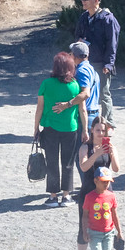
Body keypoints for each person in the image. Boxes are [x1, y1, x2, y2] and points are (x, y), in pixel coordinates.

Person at [34, 50, 91, 205]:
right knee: (68, 162)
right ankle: (66, 195)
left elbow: (39, 108)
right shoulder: (75, 86)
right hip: (70, 129)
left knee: (52, 161)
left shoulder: (46, 84)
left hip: (50, 128)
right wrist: (85, 130)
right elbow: (82, 110)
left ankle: (53, 196)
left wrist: (35, 128)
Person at [71, 118, 119, 250]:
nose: (101, 133)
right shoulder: (85, 147)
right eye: (98, 130)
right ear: (91, 130)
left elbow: (116, 169)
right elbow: (84, 167)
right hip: (88, 192)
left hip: (105, 192)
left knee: (104, 225)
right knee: (84, 225)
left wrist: (112, 153)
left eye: (103, 130)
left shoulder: (109, 147)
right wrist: (97, 153)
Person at [77, 0, 121, 121]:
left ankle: (108, 123)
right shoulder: (83, 17)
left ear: (96, 0)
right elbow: (77, 36)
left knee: (103, 94)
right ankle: (85, 123)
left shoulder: (108, 19)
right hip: (85, 63)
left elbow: (112, 44)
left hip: (101, 64)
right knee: (83, 92)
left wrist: (108, 64)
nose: (83, 1)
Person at [78, 168, 119, 250]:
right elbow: (84, 216)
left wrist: (119, 231)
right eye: (103, 181)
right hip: (94, 232)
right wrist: (85, 232)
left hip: (109, 232)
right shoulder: (89, 197)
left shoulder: (111, 196)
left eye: (108, 182)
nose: (106, 184)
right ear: (96, 180)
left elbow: (114, 214)